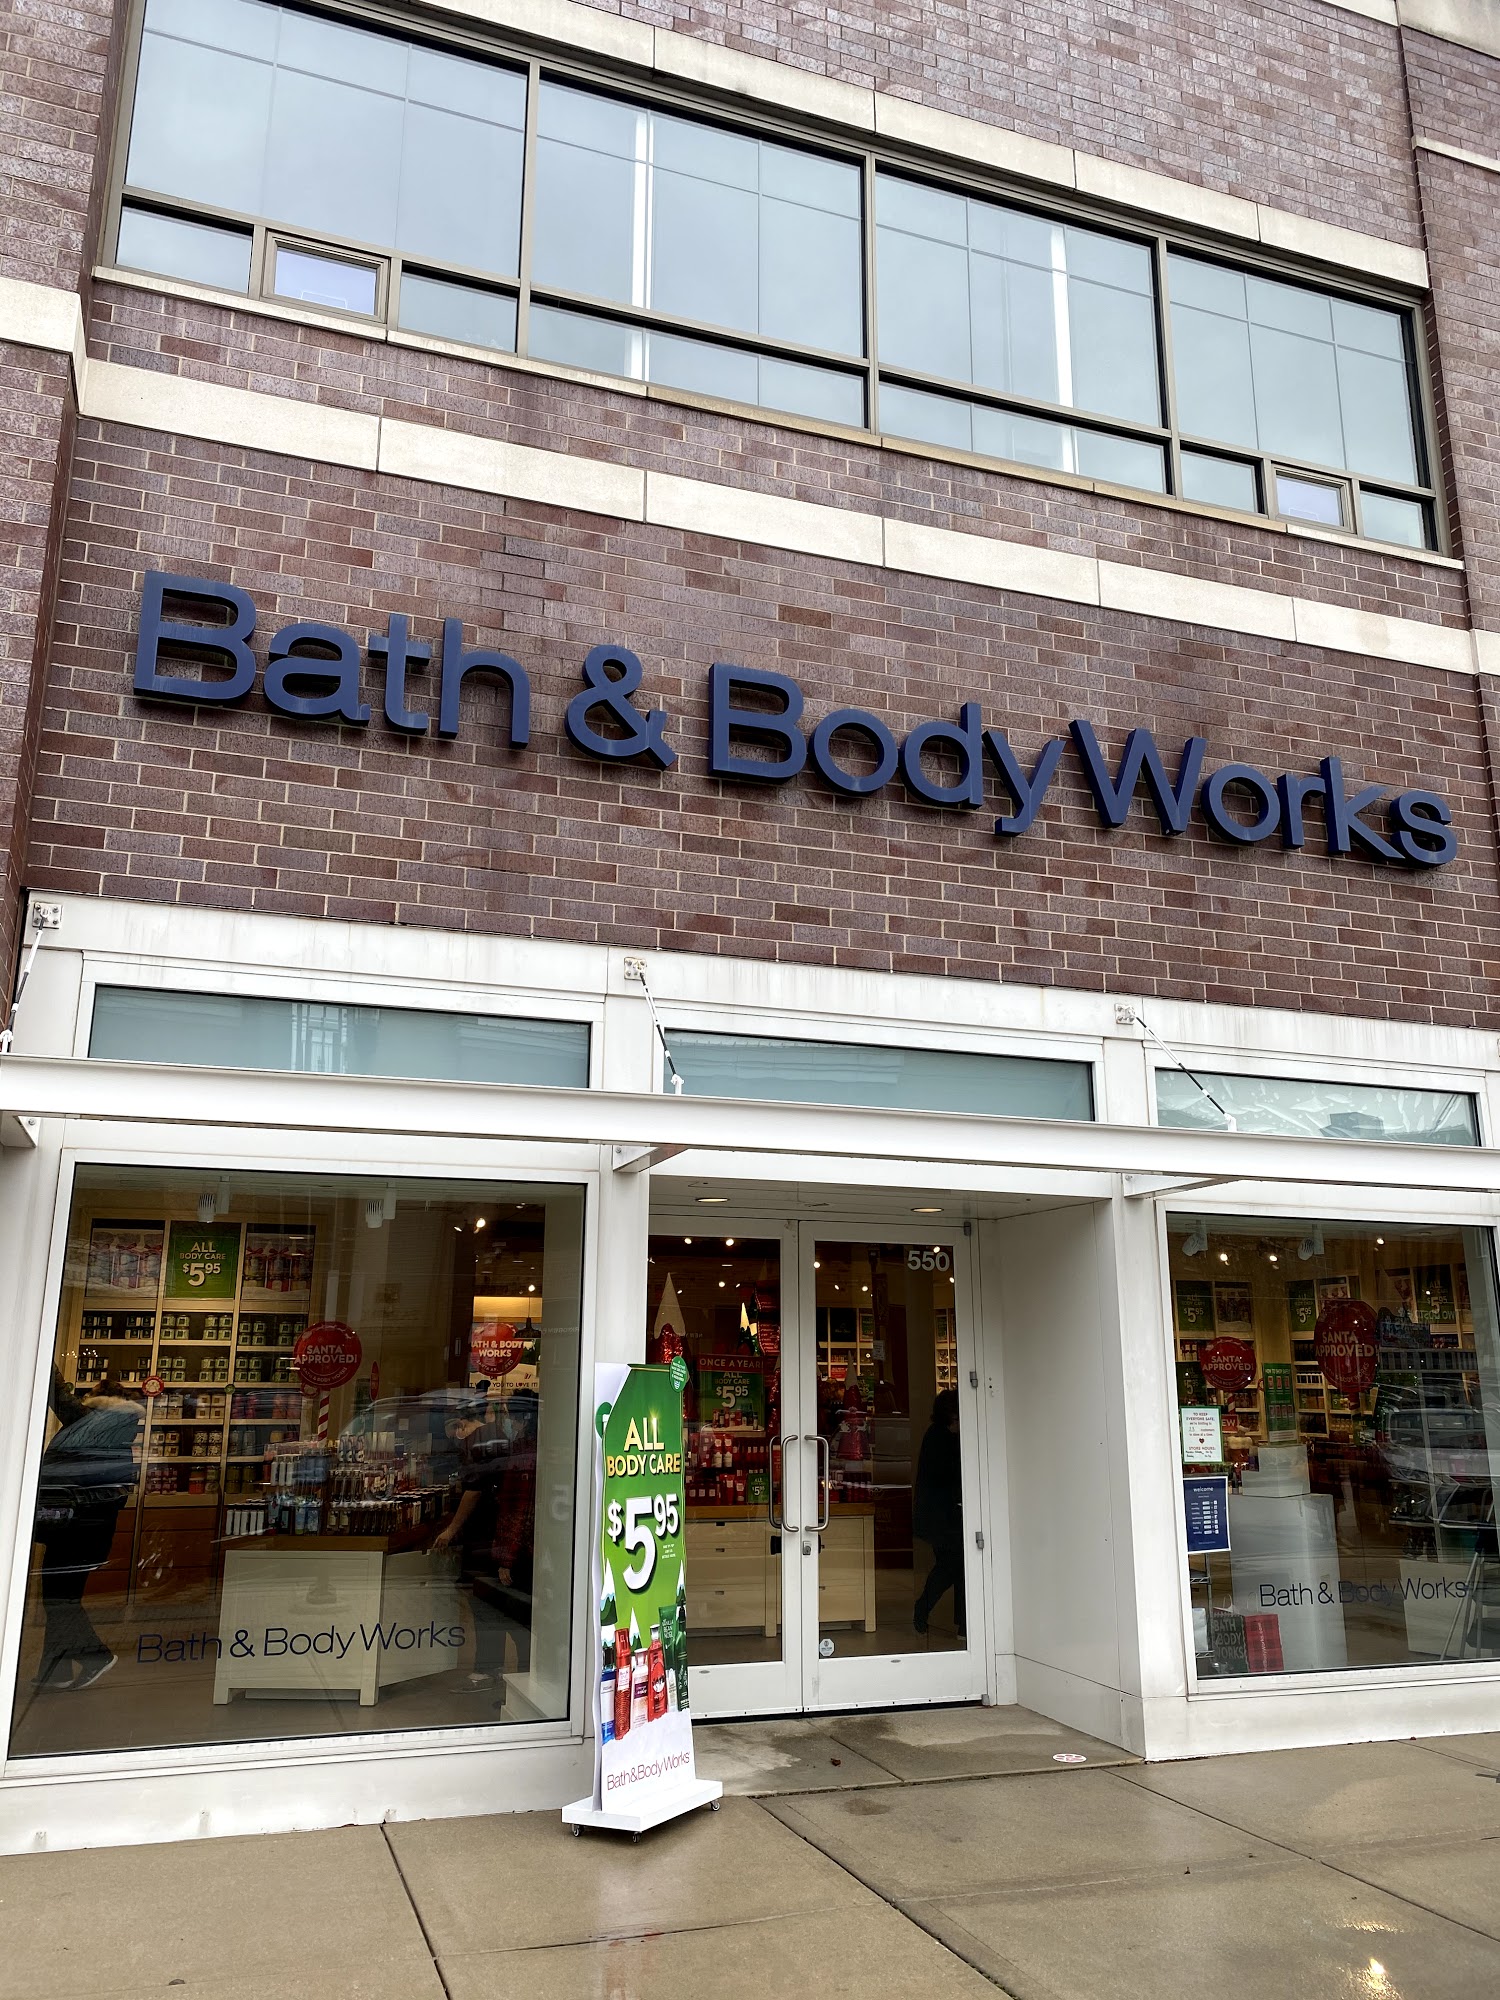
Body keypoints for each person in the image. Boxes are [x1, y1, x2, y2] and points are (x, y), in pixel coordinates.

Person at [32, 1376, 145, 1690]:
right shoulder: (118, 1437)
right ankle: (55, 1672)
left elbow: (59, 1396)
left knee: (59, 1600)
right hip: (89, 1531)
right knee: (62, 1599)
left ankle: (96, 1656)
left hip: (73, 1530)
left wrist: (49, 1368)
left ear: (98, 1402)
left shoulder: (92, 1423)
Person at [432, 1400, 508, 1692]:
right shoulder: (497, 1434)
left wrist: (451, 1529)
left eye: (454, 1431)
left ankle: (486, 1668)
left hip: (483, 1531)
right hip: (496, 1530)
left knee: (483, 1600)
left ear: (460, 1425)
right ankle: (497, 1667)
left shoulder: (475, 1443)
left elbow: (473, 1491)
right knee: (494, 1599)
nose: (454, 1437)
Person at [912, 1388, 965, 1638]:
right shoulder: (942, 1440)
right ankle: (926, 1608)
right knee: (953, 1566)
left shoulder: (936, 1436)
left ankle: (961, 1623)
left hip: (939, 1517)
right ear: (952, 1416)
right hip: (943, 1518)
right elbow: (948, 1478)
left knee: (953, 1567)